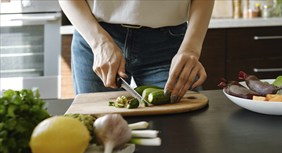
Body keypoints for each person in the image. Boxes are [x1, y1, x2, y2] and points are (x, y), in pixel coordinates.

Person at [59, 0, 214, 103]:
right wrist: (99, 43)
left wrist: (191, 49)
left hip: (168, 43)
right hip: (96, 35)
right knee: (95, 132)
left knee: (181, 134)